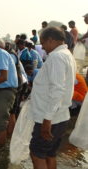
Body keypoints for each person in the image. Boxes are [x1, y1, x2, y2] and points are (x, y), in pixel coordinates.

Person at [27, 27, 76, 169]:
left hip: (50, 117)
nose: (42, 47)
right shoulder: (67, 54)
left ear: (51, 40)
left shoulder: (57, 57)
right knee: (49, 154)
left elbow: (57, 90)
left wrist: (47, 119)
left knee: (37, 154)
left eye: (43, 43)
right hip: (60, 116)